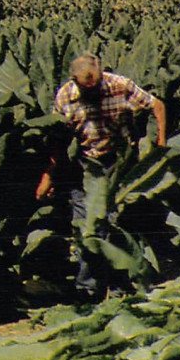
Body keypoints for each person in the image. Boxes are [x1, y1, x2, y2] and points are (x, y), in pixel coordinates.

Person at [36, 52, 166, 300]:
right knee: (87, 227)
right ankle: (88, 288)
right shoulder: (65, 96)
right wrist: (49, 176)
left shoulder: (120, 85)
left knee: (114, 224)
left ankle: (119, 286)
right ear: (74, 80)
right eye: (87, 88)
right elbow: (56, 139)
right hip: (82, 165)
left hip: (117, 163)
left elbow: (157, 105)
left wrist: (160, 144)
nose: (92, 92)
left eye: (95, 85)